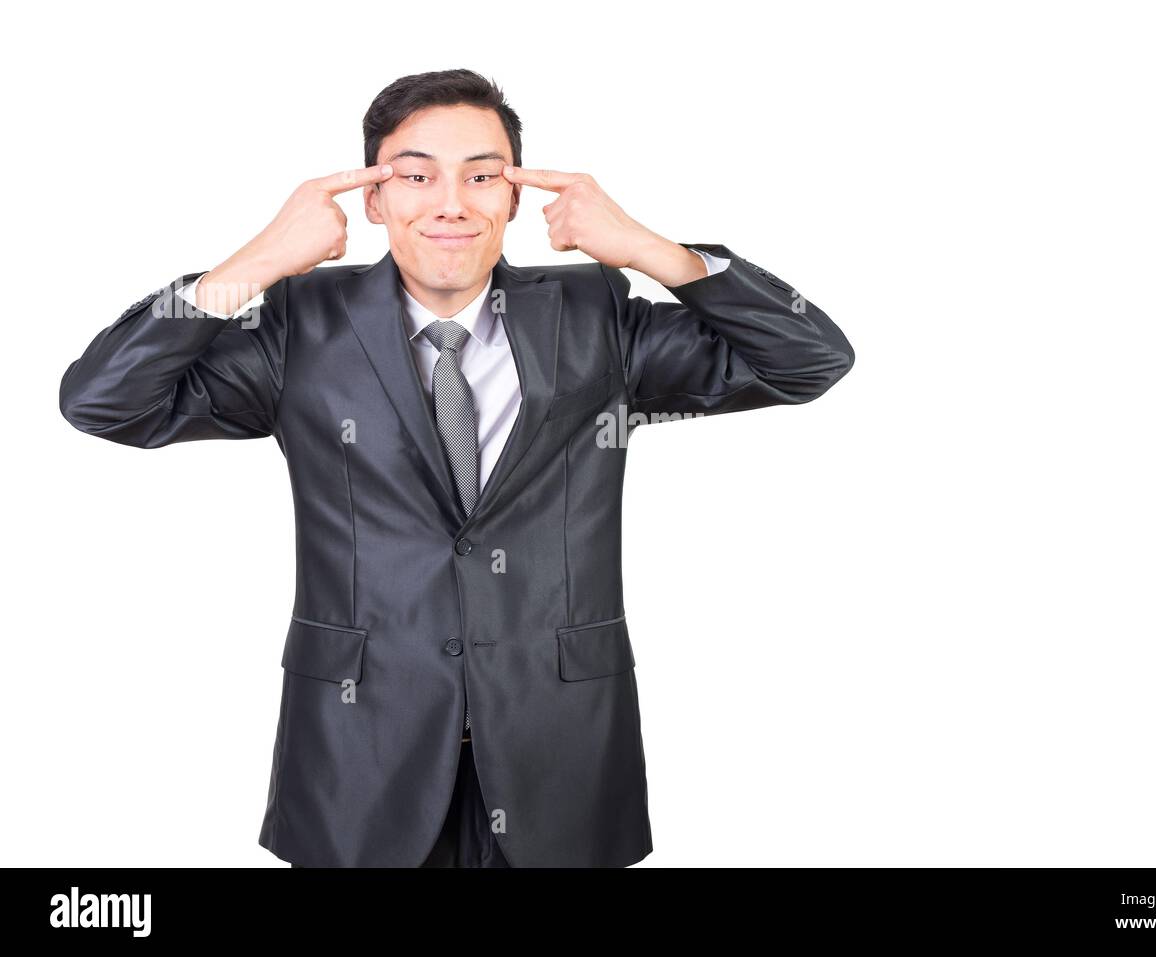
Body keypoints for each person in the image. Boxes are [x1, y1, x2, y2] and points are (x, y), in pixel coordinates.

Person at [59, 68, 854, 867]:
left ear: (514, 198)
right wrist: (258, 261)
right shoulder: (304, 326)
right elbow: (103, 400)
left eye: (482, 175)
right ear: (374, 199)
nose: (451, 202)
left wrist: (650, 249)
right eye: (415, 175)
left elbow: (809, 359)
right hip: (360, 755)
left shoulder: (594, 317)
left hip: (559, 754)